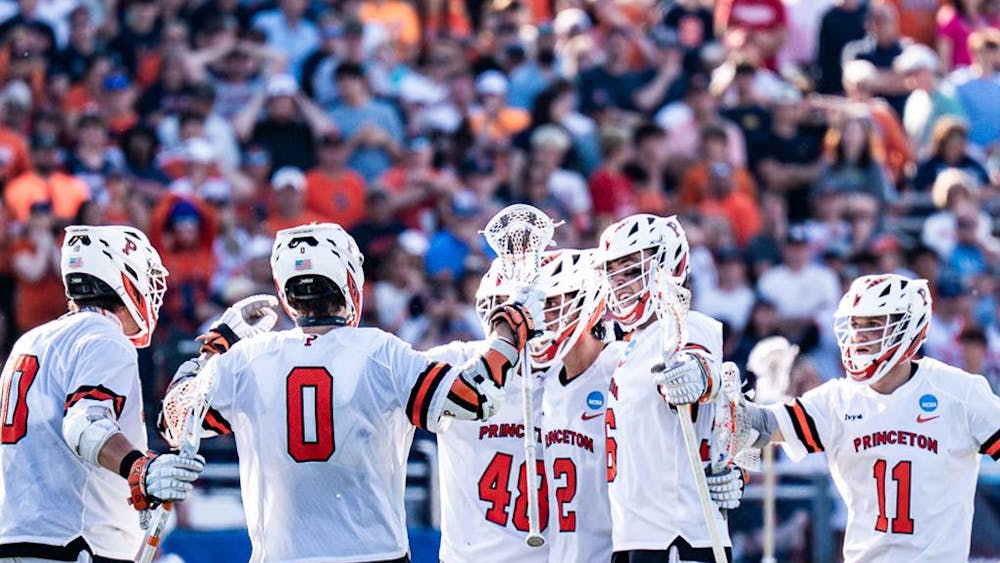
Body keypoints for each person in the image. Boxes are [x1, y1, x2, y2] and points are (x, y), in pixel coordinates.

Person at [159, 223, 542, 562]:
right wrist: (507, 332)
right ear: (347, 279)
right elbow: (475, 397)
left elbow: (173, 423)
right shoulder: (380, 351)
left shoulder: (247, 359)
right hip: (374, 554)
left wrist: (213, 351)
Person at [723, 273, 1000, 562]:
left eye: (873, 324)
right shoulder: (837, 399)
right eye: (855, 324)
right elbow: (764, 425)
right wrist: (716, 401)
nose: (858, 336)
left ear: (908, 327)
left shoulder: (959, 392)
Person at [0, 225, 203, 561]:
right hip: (74, 543)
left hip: (18, 536)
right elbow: (86, 424)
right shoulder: (105, 337)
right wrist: (140, 468)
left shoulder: (31, 341)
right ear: (122, 275)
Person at [598, 214, 736, 561]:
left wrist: (694, 374)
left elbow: (699, 363)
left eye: (631, 270)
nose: (620, 283)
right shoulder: (629, 346)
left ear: (668, 268)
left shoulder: (683, 325)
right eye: (613, 273)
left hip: (678, 534)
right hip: (636, 533)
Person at [423, 258, 548, 563]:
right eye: (503, 308)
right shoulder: (455, 359)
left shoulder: (575, 370)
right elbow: (392, 383)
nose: (515, 318)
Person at [533, 249, 621, 563]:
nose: (544, 318)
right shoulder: (545, 381)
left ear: (590, 303)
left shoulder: (622, 366)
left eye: (553, 304)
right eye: (540, 306)